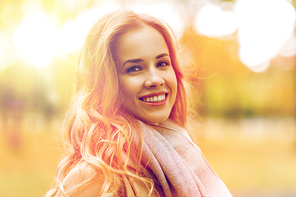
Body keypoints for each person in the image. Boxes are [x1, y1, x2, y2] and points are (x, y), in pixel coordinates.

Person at [46, 10, 232, 197]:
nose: (155, 79)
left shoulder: (180, 150)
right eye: (135, 68)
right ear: (105, 83)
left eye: (162, 64)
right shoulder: (95, 176)